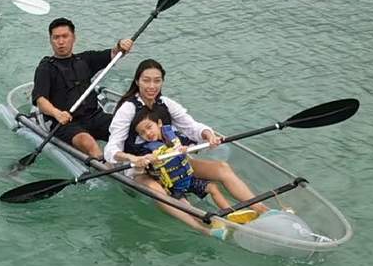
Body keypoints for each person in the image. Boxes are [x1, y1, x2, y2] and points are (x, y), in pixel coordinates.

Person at [104, 58, 267, 213]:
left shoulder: (165, 103)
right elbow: (111, 149)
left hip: (171, 162)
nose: (152, 86)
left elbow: (192, 127)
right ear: (137, 81)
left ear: (162, 82)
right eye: (146, 80)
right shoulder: (127, 109)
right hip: (142, 171)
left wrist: (208, 135)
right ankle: (204, 226)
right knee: (158, 191)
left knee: (222, 168)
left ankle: (260, 209)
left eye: (157, 81)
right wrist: (133, 158)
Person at [32, 18, 135, 158]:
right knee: (88, 142)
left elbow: (114, 53)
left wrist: (121, 45)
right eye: (56, 37)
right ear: (51, 40)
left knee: (126, 127)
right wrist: (57, 113)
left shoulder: (85, 59)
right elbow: (40, 100)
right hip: (65, 123)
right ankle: (104, 165)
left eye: (65, 36)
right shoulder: (45, 68)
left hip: (94, 116)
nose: (61, 42)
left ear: (74, 38)